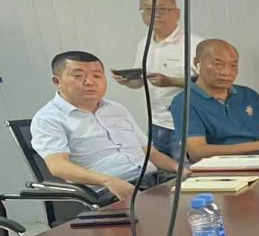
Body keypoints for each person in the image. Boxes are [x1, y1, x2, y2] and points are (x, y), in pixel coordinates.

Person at [30, 51, 183, 203]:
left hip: (153, 180)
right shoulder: (48, 118)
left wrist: (180, 169)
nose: (90, 82)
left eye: (97, 76)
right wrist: (108, 181)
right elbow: (58, 166)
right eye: (78, 76)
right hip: (109, 191)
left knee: (193, 195)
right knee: (174, 211)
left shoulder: (117, 109)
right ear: (57, 81)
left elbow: (151, 154)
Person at [112, 0, 203, 160]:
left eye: (161, 9)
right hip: (156, 122)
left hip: (187, 124)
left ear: (177, 13)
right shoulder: (144, 43)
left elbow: (210, 84)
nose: (155, 15)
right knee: (159, 170)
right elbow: (141, 81)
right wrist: (128, 81)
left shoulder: (194, 44)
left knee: (186, 171)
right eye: (147, 10)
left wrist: (172, 82)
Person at [169, 39, 259, 161]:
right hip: (221, 167)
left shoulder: (249, 95)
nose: (226, 72)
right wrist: (256, 147)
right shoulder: (184, 102)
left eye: (233, 65)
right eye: (218, 64)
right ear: (197, 63)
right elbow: (197, 152)